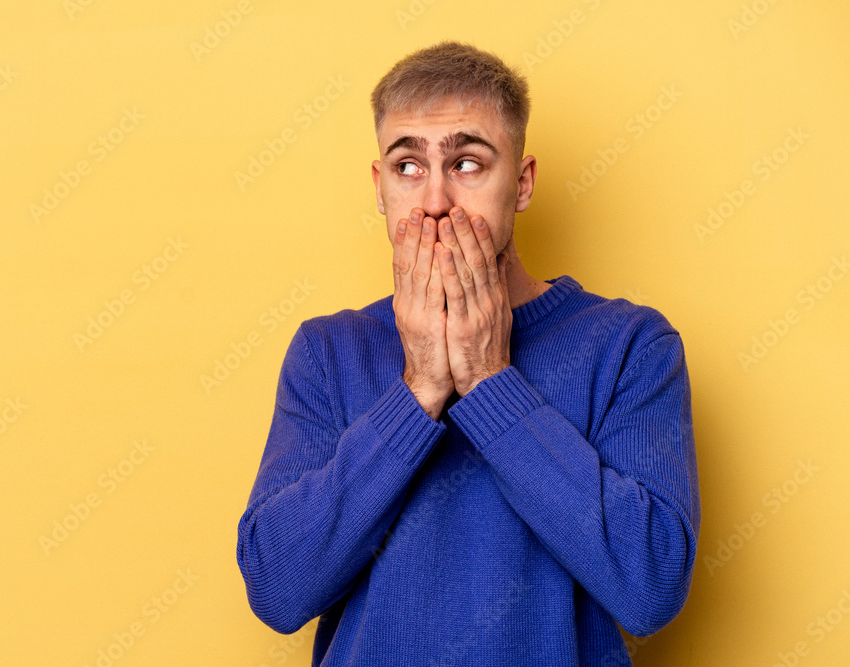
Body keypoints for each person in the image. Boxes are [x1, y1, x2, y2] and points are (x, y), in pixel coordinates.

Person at [236, 40, 700, 666]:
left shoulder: (630, 345)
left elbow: (650, 588)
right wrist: (418, 391)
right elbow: (278, 589)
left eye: (468, 163)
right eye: (407, 166)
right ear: (379, 187)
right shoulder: (327, 352)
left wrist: (488, 380)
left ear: (524, 182)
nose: (434, 201)